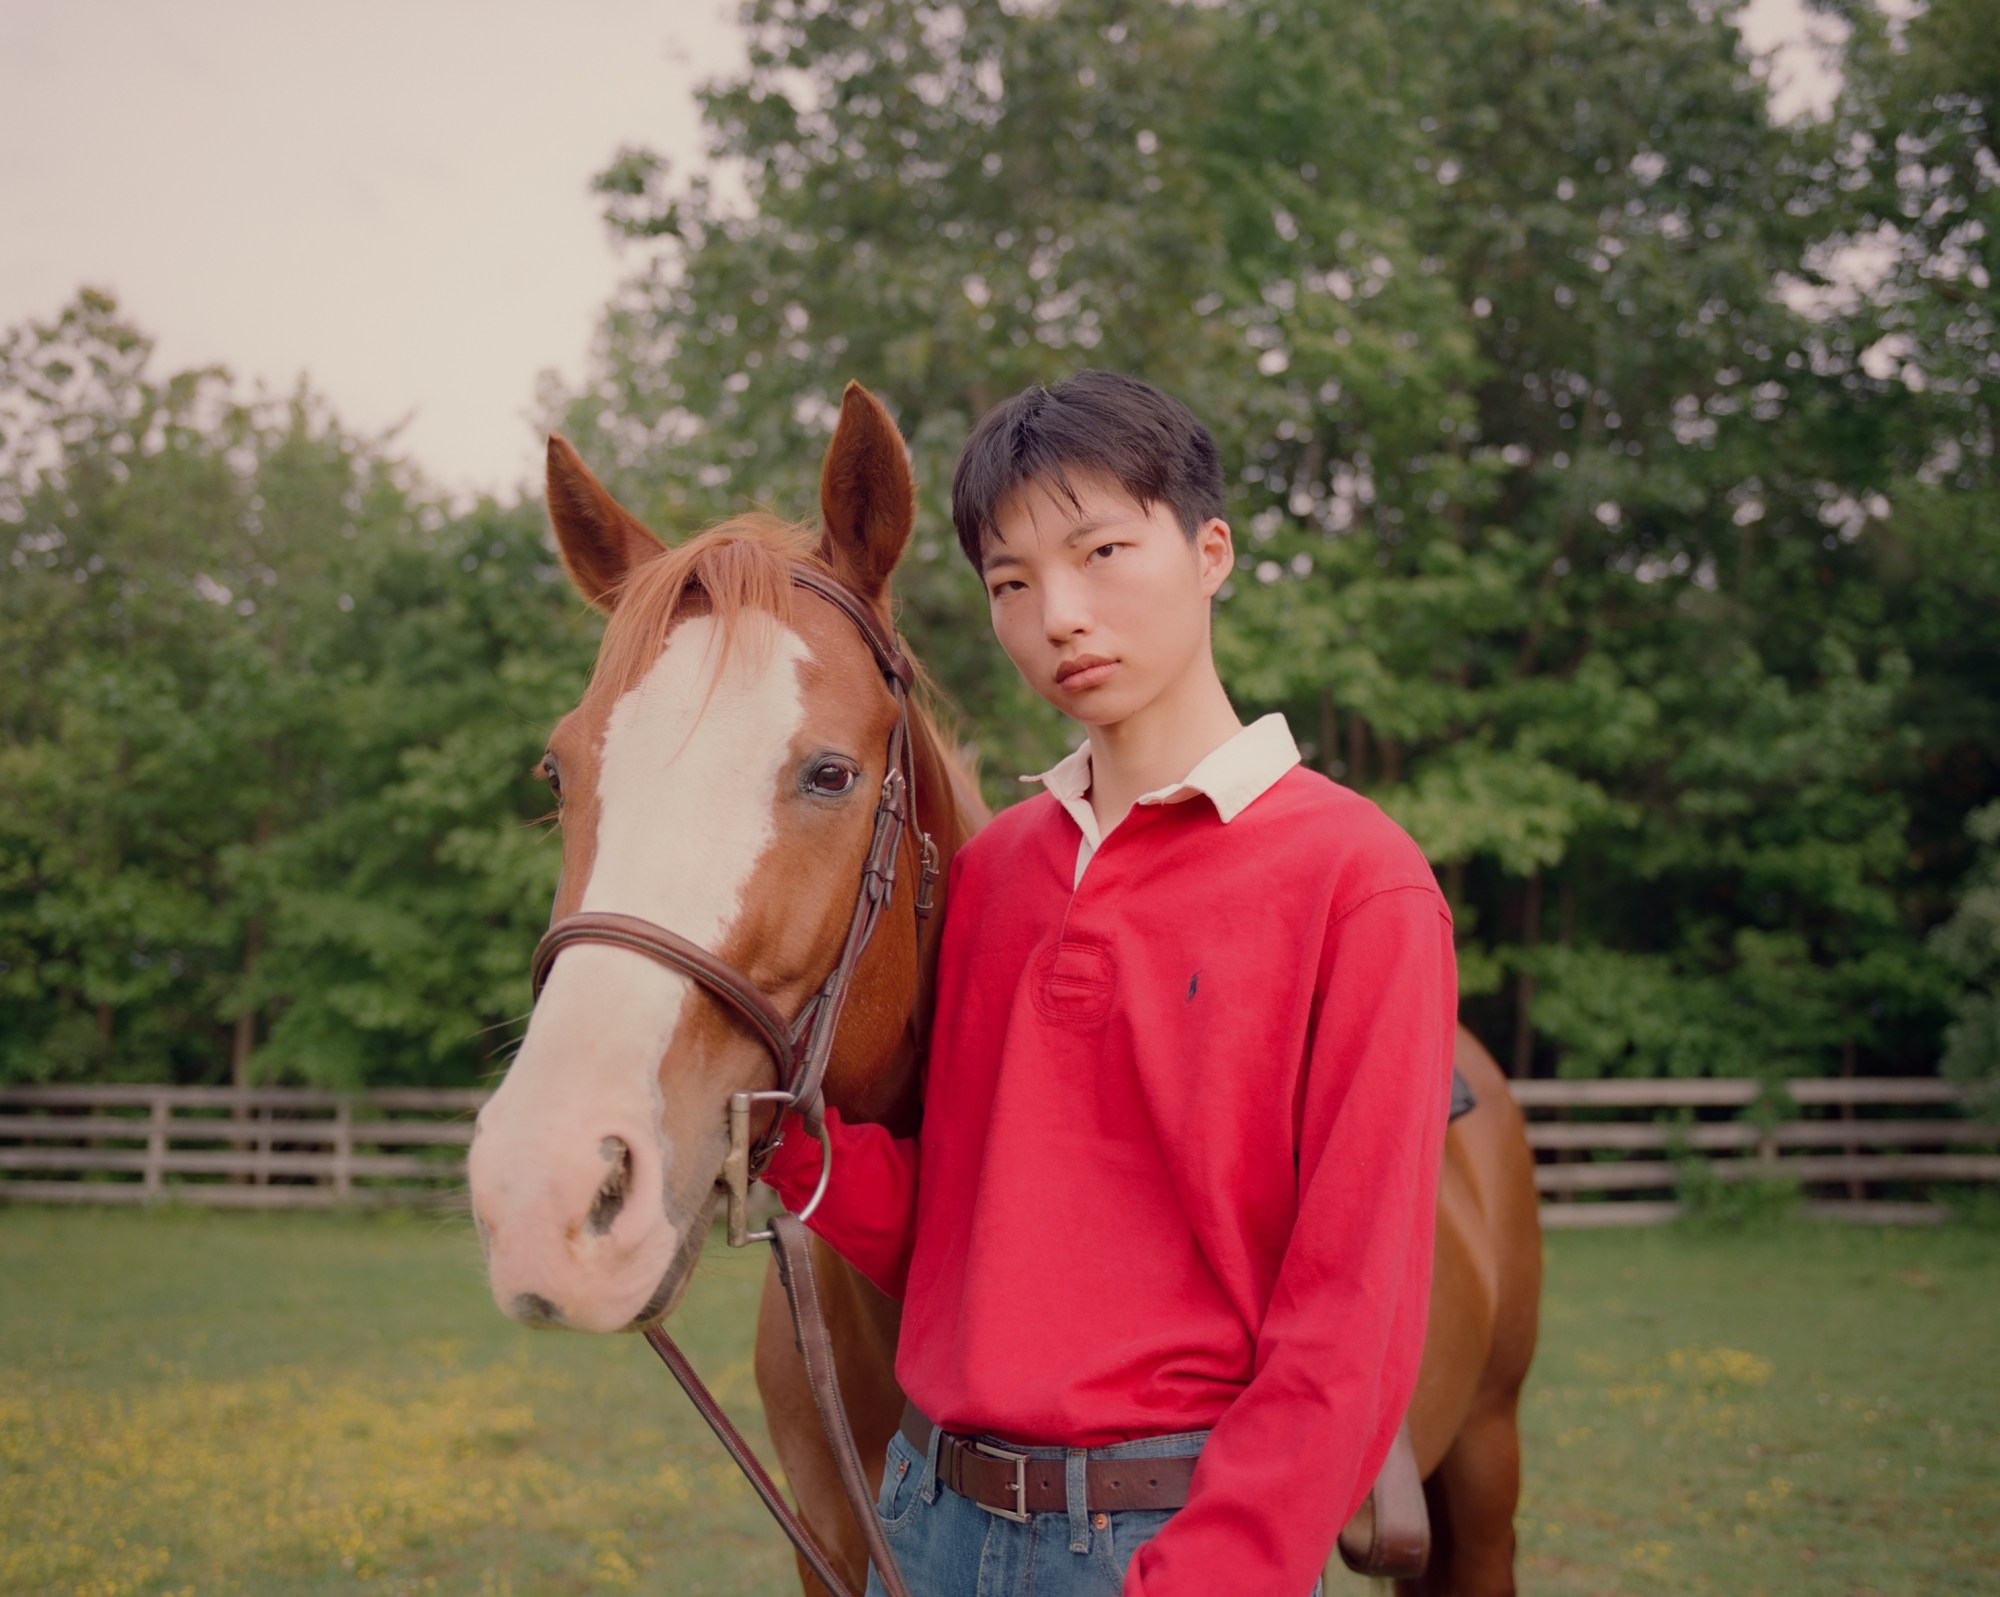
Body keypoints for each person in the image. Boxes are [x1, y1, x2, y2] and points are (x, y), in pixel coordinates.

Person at [761, 370, 1456, 1597]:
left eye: (1099, 552)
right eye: (1010, 585)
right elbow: (956, 1236)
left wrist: (1218, 1574)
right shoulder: (994, 873)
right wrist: (787, 1143)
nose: (1057, 618)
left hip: (1160, 1537)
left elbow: (1349, 1312)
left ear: (1210, 551)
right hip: (922, 1520)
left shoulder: (1359, 880)